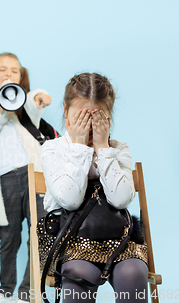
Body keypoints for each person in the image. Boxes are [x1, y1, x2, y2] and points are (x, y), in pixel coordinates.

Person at [40, 73, 148, 303]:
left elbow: (120, 200)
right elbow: (70, 201)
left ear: (108, 119)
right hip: (71, 240)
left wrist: (102, 148)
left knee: (134, 272)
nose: (89, 127)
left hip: (117, 240)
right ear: (66, 112)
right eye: (81, 118)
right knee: (79, 274)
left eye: (97, 118)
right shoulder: (53, 149)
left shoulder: (118, 150)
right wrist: (80, 148)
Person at [0, 53, 56, 303]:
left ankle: (28, 290)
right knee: (9, 237)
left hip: (35, 174)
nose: (8, 74)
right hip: (6, 178)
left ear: (21, 77)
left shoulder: (24, 105)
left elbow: (36, 100)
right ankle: (5, 289)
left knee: (39, 232)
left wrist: (41, 96)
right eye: (2, 70)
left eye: (15, 71)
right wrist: (0, 107)